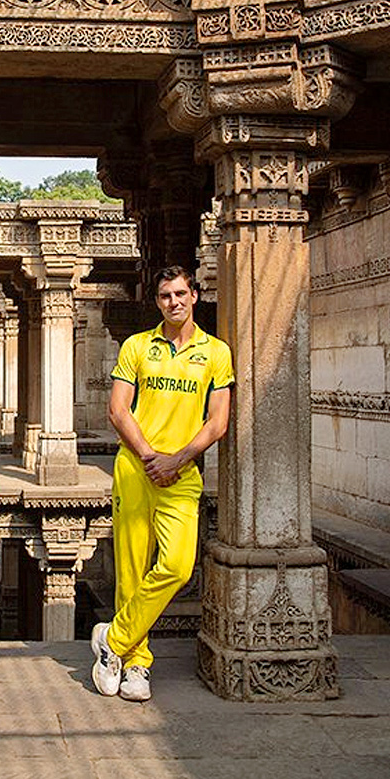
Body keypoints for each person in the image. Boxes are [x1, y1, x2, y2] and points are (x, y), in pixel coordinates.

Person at [91, 265, 233, 702]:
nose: (174, 302)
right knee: (131, 570)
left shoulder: (215, 352)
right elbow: (118, 411)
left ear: (194, 296)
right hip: (137, 469)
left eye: (180, 294)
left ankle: (112, 640)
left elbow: (218, 421)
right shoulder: (138, 346)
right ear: (158, 302)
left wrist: (178, 458)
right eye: (165, 296)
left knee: (176, 565)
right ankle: (136, 664)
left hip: (183, 473)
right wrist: (151, 457)